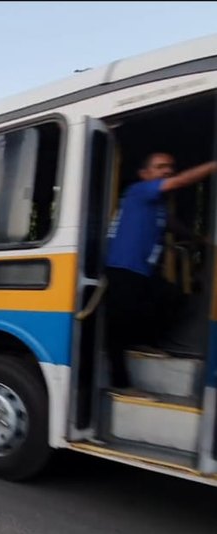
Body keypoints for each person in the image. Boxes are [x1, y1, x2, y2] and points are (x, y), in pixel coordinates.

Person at [104, 152, 215, 395]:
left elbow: (171, 225)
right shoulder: (140, 190)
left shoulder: (158, 206)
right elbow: (181, 181)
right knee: (118, 326)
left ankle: (145, 342)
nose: (167, 170)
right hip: (122, 268)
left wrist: (199, 239)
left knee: (171, 295)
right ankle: (120, 383)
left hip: (142, 271)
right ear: (145, 174)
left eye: (170, 167)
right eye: (160, 167)